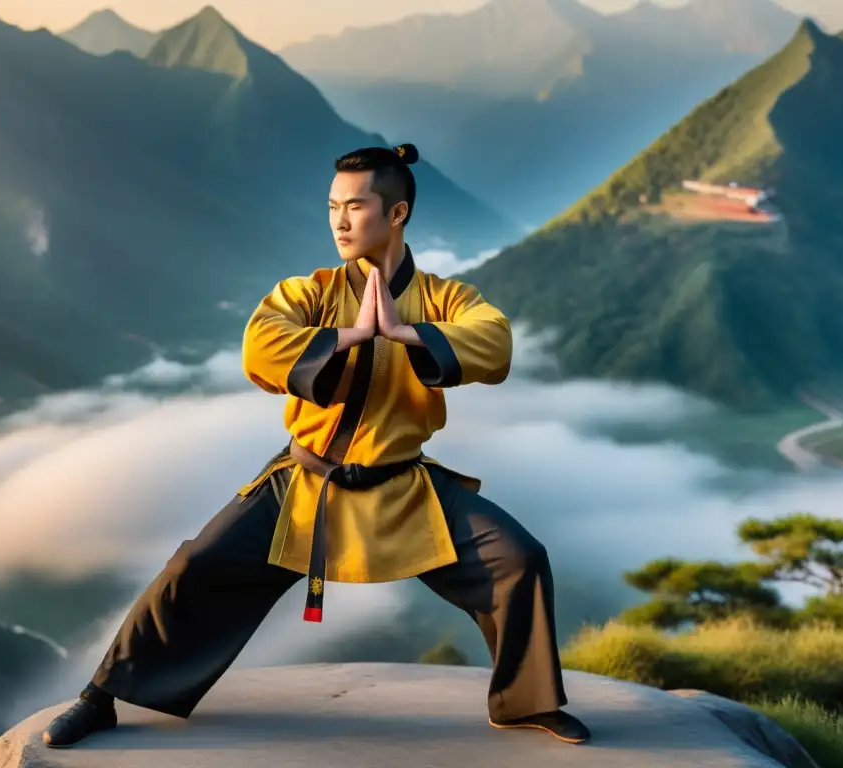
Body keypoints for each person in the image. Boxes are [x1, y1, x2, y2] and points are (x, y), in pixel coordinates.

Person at [42, 143, 590, 748]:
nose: (339, 221)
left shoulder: (442, 297)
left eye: (355, 206)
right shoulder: (313, 292)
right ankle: (102, 696)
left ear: (398, 212)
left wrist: (405, 333)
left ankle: (523, 703)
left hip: (405, 487)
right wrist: (349, 336)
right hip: (306, 486)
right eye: (332, 206)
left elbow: (496, 341)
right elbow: (259, 344)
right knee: (192, 567)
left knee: (518, 558)